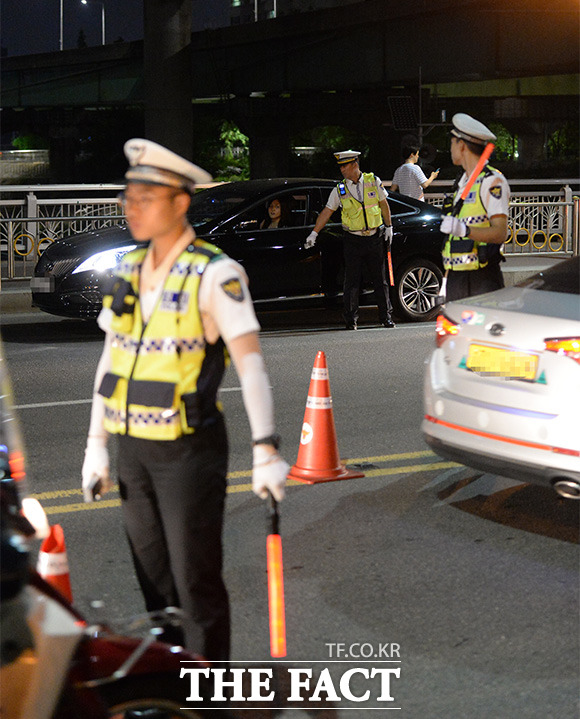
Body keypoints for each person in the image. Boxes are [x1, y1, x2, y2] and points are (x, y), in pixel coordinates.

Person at [81, 138, 289, 664]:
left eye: (145, 196)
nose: (132, 206)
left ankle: (208, 695)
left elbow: (251, 365)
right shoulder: (126, 269)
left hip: (188, 452)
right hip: (133, 449)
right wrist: (96, 446)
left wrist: (264, 450)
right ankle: (173, 685)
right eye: (129, 196)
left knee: (195, 585)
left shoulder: (215, 274)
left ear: (179, 202)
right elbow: (111, 358)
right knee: (154, 585)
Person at [304, 150, 395, 330]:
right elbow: (327, 211)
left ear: (355, 164)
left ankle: (386, 317)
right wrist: (314, 233)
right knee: (351, 282)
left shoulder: (372, 181)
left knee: (380, 280)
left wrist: (389, 226)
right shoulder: (340, 189)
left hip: (374, 238)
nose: (342, 170)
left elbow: (384, 204)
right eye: (341, 167)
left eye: (345, 166)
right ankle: (351, 320)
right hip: (353, 240)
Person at [440, 113, 510, 301]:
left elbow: (500, 232)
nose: (451, 148)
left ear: (461, 145)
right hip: (457, 279)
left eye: (452, 142)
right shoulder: (461, 183)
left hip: (482, 279)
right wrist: (445, 284)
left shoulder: (492, 181)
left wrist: (465, 230)